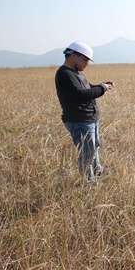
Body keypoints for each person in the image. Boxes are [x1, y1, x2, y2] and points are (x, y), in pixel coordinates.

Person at [55, 41, 114, 181]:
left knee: (93, 148)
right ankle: (89, 183)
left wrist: (102, 86)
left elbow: (87, 89)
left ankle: (98, 174)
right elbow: (81, 94)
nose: (87, 63)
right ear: (74, 56)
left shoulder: (75, 73)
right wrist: (102, 89)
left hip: (88, 118)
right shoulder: (65, 74)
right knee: (87, 153)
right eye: (86, 59)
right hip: (79, 120)